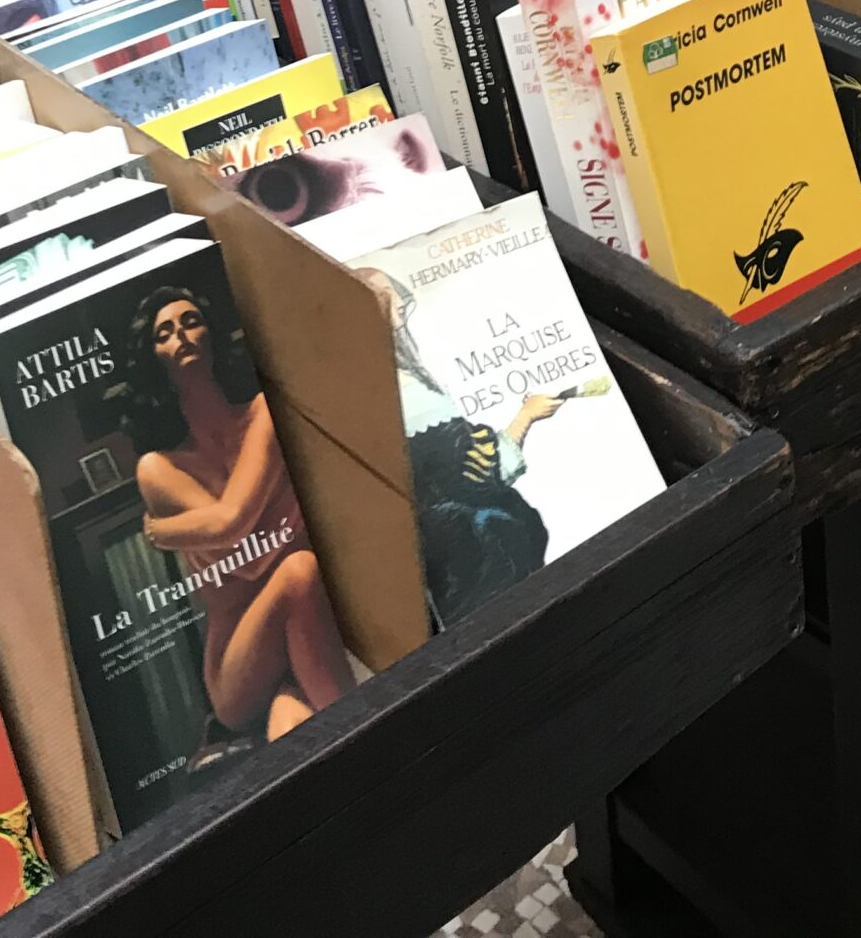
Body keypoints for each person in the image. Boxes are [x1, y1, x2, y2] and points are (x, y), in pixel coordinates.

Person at [128, 280, 351, 743]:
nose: (182, 336)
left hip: (308, 620)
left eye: (192, 321)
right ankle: (366, 729)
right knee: (299, 569)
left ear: (212, 333)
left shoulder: (263, 414)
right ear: (154, 358)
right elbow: (245, 551)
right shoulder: (159, 469)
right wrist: (287, 510)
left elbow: (231, 526)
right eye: (165, 332)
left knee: (292, 715)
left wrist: (168, 533)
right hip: (237, 662)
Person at [359, 266, 567, 622]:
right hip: (471, 558)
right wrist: (526, 416)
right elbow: (479, 477)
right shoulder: (408, 395)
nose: (399, 309)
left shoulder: (373, 387)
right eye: (384, 299)